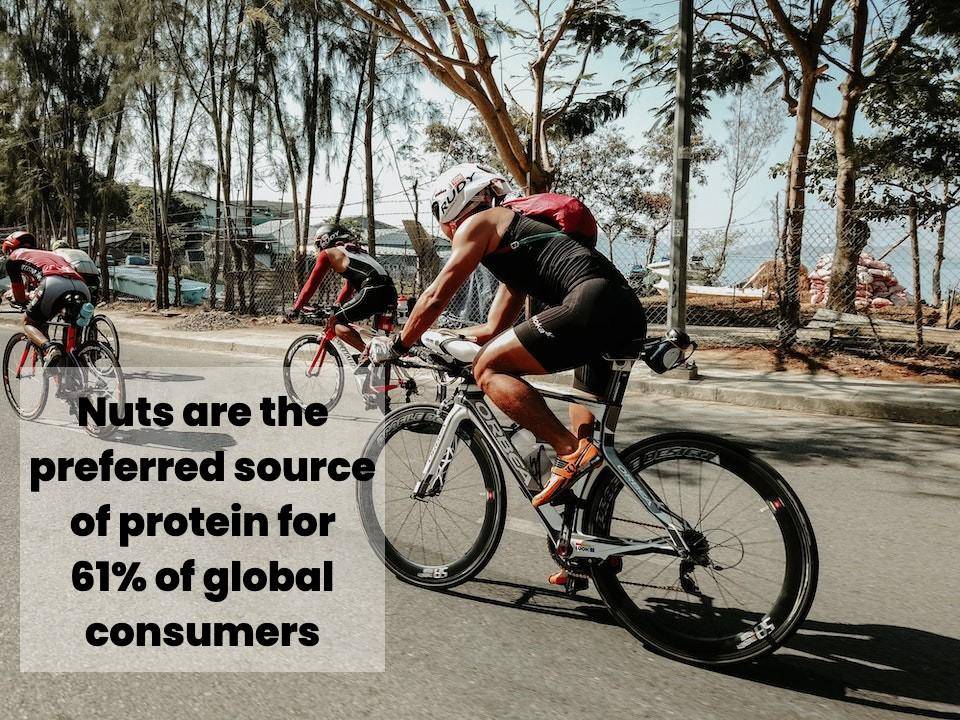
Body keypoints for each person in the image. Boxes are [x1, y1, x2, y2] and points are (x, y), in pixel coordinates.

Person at [366, 163, 646, 588]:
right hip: (619, 313)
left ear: (453, 205)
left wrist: (400, 345)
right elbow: (495, 328)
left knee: (491, 368)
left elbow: (437, 293)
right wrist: (443, 339)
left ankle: (569, 451)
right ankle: (589, 553)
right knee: (588, 454)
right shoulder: (515, 245)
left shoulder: (481, 222)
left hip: (590, 305)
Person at [286, 223, 398, 354]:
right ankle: (381, 367)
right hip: (390, 291)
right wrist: (338, 304)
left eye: (318, 244)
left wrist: (296, 308)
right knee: (382, 344)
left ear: (325, 240)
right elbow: (350, 286)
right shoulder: (356, 251)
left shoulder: (328, 253)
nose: (318, 249)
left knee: (335, 322)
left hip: (372, 290)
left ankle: (367, 354)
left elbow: (312, 284)